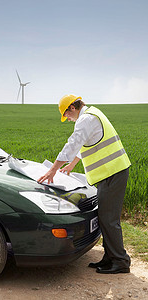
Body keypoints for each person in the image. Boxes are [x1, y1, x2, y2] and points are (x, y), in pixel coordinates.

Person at [38, 94, 131, 274]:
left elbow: (72, 145)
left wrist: (53, 170)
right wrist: (71, 166)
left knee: (109, 219)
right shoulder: (92, 114)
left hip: (113, 172)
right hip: (110, 173)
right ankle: (110, 257)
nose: (68, 119)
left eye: (67, 115)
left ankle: (120, 261)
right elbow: (83, 147)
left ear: (72, 108)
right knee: (104, 217)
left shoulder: (85, 119)